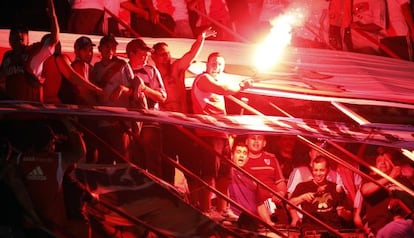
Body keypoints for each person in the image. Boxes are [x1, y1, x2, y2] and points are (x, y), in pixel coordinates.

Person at [190, 51, 252, 220]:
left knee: (225, 173)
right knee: (209, 172)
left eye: (219, 64)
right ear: (207, 65)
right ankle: (205, 209)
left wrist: (242, 84)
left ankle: (222, 208)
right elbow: (223, 89)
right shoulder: (203, 79)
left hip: (222, 133)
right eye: (213, 63)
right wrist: (241, 86)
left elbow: (226, 87)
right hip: (208, 132)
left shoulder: (220, 79)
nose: (216, 67)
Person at [91, 35, 147, 164]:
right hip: (102, 121)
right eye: (107, 47)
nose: (110, 50)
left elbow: (134, 91)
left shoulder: (123, 65)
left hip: (120, 122)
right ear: (100, 48)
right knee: (104, 162)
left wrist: (122, 88)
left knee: (124, 161)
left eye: (113, 48)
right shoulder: (96, 68)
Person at [0, 0, 59, 102]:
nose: (19, 34)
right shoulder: (7, 57)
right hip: (12, 111)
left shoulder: (34, 52)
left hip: (31, 111)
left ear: (28, 39)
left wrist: (53, 16)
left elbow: (54, 39)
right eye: (14, 33)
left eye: (23, 33)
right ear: (9, 40)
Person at [126, 38, 168, 181]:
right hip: (129, 123)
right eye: (141, 54)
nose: (145, 57)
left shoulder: (151, 70)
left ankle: (157, 197)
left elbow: (162, 97)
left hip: (150, 122)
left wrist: (144, 89)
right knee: (134, 164)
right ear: (131, 54)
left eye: (146, 54)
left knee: (153, 163)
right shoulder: (122, 70)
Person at [152, 27, 216, 113]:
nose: (166, 57)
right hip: (163, 119)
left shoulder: (176, 69)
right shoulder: (151, 74)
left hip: (181, 117)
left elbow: (191, 54)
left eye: (168, 54)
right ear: (154, 57)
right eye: (163, 54)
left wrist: (201, 38)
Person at [288, 156, 353, 232]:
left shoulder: (336, 188)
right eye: (315, 170)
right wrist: (302, 198)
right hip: (310, 231)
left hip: (333, 231)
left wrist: (343, 213)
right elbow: (289, 205)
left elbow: (350, 216)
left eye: (322, 170)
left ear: (328, 170)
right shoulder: (302, 186)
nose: (318, 174)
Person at [360, 149, 414, 235]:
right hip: (378, 229)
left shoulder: (403, 181)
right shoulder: (371, 179)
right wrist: (391, 176)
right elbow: (366, 191)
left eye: (386, 160)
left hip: (401, 230)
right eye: (379, 161)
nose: (383, 163)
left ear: (393, 164)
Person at [243, 134, 287, 226]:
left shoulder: (271, 158)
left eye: (259, 138)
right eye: (253, 138)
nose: (256, 141)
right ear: (246, 142)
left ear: (264, 143)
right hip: (253, 207)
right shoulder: (241, 159)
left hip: (274, 205)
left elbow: (281, 182)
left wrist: (281, 194)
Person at [70, 36, 98, 105]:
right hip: (80, 110)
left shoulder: (90, 67)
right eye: (85, 50)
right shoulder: (79, 65)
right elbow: (84, 92)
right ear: (76, 51)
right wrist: (99, 108)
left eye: (91, 50)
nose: (89, 54)